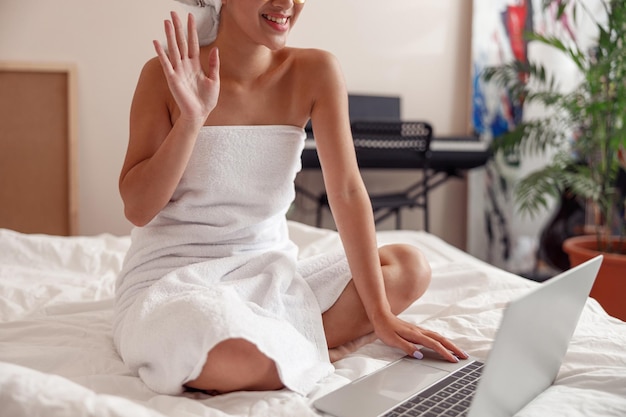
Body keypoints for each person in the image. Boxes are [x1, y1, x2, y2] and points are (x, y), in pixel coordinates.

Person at [114, 0, 467, 396]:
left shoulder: (315, 71)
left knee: (409, 266)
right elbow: (138, 209)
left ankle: (287, 345)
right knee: (236, 358)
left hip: (269, 275)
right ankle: (327, 348)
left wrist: (380, 315)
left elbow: (348, 191)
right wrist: (192, 120)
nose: (287, 3)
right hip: (176, 281)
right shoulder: (165, 75)